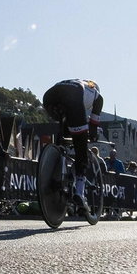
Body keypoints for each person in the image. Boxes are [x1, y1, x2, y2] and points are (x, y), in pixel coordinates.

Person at [41, 79, 103, 219]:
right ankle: (80, 192)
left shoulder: (78, 82)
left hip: (50, 97)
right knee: (81, 146)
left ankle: (58, 158)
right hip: (72, 99)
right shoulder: (97, 96)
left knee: (64, 131)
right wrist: (91, 135)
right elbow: (93, 125)